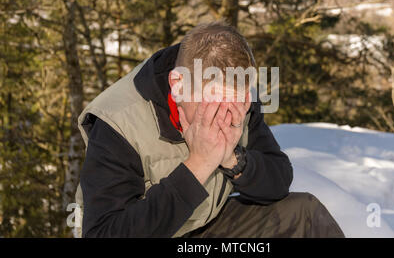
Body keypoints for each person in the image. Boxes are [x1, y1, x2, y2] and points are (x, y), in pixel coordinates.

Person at [76, 21, 344, 238]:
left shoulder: (239, 99)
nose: (226, 117)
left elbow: (277, 180)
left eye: (237, 100)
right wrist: (198, 165)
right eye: (213, 103)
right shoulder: (118, 124)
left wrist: (233, 160)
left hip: (206, 226)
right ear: (178, 84)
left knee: (303, 215)